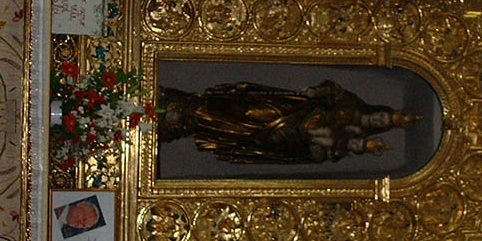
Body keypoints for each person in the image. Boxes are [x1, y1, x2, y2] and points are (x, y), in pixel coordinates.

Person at [157, 79, 418, 164]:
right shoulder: (353, 104)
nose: (378, 120)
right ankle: (187, 106)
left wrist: (363, 147)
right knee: (246, 110)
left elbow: (332, 152)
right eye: (382, 115)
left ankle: (186, 125)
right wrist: (316, 92)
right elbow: (332, 90)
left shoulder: (354, 136)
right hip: (289, 110)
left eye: (383, 123)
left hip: (287, 139)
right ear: (380, 110)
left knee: (240, 133)